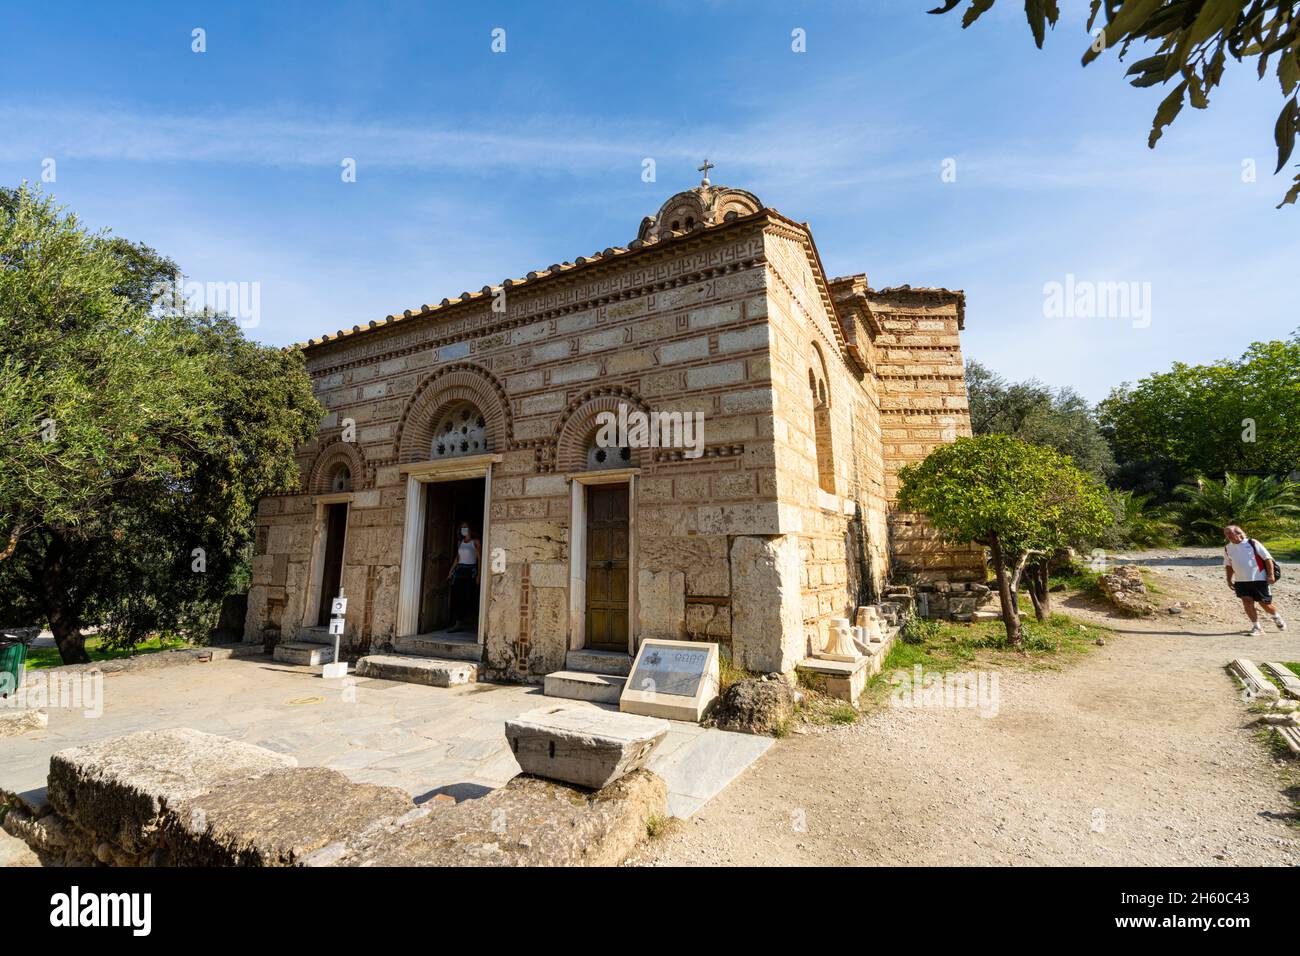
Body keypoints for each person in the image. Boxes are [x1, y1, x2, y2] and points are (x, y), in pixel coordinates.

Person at [1223, 524, 1285, 636]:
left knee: (1265, 604)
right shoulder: (1228, 548)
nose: (1228, 536)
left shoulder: (1252, 543)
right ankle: (1257, 627)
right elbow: (1228, 565)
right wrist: (1228, 579)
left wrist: (1270, 575)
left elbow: (1267, 559)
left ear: (1239, 533)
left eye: (1230, 533)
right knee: (1247, 603)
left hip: (1259, 579)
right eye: (1226, 534)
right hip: (1241, 581)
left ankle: (1276, 616)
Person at [446, 521, 480, 632]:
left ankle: (472, 622)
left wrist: (479, 575)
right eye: (462, 528)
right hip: (459, 570)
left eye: (465, 527)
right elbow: (457, 558)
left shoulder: (475, 542)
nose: (463, 529)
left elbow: (480, 559)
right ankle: (458, 623)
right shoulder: (460, 542)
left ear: (470, 529)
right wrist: (450, 572)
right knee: (457, 597)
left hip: (470, 571)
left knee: (469, 596)